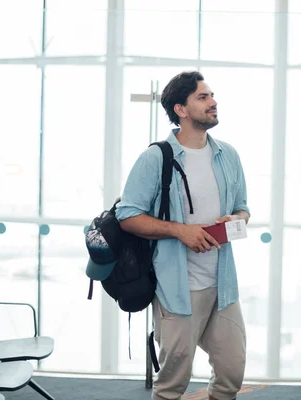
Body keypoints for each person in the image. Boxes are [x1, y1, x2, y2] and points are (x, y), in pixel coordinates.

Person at [115, 71, 250, 400]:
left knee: (232, 372)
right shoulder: (156, 158)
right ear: (181, 109)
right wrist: (181, 232)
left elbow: (244, 209)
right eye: (203, 97)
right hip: (177, 289)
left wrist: (235, 219)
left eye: (212, 95)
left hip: (222, 286)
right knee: (173, 383)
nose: (213, 102)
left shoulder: (227, 155)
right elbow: (127, 215)